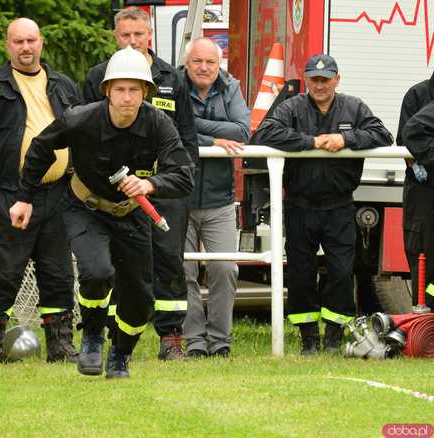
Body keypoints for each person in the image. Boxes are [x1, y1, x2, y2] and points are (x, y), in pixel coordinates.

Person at [9, 46, 195, 378]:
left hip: (133, 213)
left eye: (134, 89)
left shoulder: (159, 124)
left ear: (145, 93)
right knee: (96, 272)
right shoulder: (81, 118)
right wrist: (25, 197)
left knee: (140, 300)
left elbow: (184, 175)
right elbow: (40, 147)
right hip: (85, 207)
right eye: (120, 89)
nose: (126, 97)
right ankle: (92, 334)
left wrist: (150, 185)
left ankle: (120, 355)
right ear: (107, 90)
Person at [251, 54, 393, 354]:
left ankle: (333, 337)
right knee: (302, 273)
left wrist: (347, 139)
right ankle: (308, 340)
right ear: (306, 81)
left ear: (337, 80)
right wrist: (311, 142)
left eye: (325, 79)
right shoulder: (292, 107)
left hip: (340, 205)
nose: (320, 85)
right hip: (300, 205)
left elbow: (383, 134)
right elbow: (264, 133)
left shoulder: (354, 107)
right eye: (314, 80)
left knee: (341, 273)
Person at [0, 18, 81, 367]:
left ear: (41, 43)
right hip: (10, 197)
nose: (26, 48)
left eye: (31, 40)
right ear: (7, 46)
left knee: (59, 274)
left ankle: (60, 346)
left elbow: (82, 134)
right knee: (1, 273)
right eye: (18, 42)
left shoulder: (63, 86)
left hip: (57, 196)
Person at [83, 6, 198, 360]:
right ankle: (118, 339)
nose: (132, 41)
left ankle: (171, 336)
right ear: (115, 37)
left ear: (150, 36)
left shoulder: (172, 77)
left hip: (162, 189)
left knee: (169, 261)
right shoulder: (97, 77)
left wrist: (174, 182)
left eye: (138, 35)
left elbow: (187, 139)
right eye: (125, 35)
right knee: (121, 264)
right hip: (116, 192)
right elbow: (85, 133)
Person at [180, 37, 250, 358]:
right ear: (187, 62)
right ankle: (194, 341)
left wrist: (196, 130)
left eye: (211, 62)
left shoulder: (231, 87)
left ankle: (220, 342)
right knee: (184, 271)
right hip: (179, 196)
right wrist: (213, 137)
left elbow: (241, 131)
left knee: (225, 269)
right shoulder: (172, 85)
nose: (205, 68)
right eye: (198, 62)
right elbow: (171, 126)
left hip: (220, 199)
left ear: (218, 63)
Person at [397, 73, 434, 307]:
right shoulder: (416, 95)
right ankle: (425, 323)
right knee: (423, 261)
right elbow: (405, 140)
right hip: (423, 192)